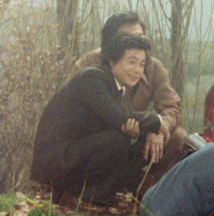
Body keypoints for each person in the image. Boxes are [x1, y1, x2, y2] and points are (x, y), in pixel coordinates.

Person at [31, 32, 162, 206]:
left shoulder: (115, 88)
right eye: (131, 62)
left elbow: (122, 121)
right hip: (57, 160)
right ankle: (79, 197)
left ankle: (109, 195)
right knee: (119, 140)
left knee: (136, 140)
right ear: (112, 61)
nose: (137, 70)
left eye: (141, 64)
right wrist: (157, 120)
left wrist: (146, 130)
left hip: (73, 155)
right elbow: (119, 118)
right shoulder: (92, 78)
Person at [74, 12, 186, 193]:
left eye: (140, 37)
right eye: (127, 38)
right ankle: (91, 192)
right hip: (98, 141)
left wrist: (157, 127)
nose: (136, 44)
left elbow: (172, 107)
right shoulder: (88, 64)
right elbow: (74, 115)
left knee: (178, 137)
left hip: (136, 134)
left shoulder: (153, 67)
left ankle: (149, 195)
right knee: (115, 141)